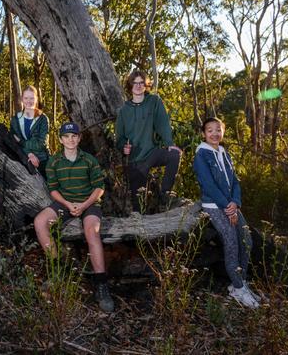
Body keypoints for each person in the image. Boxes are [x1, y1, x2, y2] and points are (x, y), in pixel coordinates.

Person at [33, 121, 114, 312]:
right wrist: (69, 205)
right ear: (61, 139)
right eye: (66, 136)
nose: (70, 140)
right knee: (40, 221)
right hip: (64, 202)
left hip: (89, 203)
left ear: (79, 138)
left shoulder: (89, 160)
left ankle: (101, 284)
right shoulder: (54, 161)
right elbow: (53, 189)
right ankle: (59, 271)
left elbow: (99, 188)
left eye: (74, 136)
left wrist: (84, 205)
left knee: (91, 231)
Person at [194, 117, 260, 308]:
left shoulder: (224, 153)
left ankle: (240, 283)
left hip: (231, 205)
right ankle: (239, 289)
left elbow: (235, 182)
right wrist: (226, 206)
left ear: (223, 132)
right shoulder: (201, 155)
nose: (214, 134)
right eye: (210, 130)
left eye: (218, 130)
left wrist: (236, 203)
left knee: (246, 240)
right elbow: (208, 185)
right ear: (203, 134)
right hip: (214, 206)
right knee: (231, 241)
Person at [115, 70, 182, 211]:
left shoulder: (154, 101)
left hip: (152, 152)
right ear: (130, 85)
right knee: (138, 205)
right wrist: (123, 147)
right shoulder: (123, 111)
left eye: (141, 83)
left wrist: (169, 143)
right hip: (136, 160)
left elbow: (162, 123)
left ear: (146, 85)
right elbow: (119, 139)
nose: (138, 86)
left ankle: (165, 194)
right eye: (135, 82)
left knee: (174, 155)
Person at [9, 85, 50, 176]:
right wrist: (29, 154)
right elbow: (14, 143)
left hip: (42, 162)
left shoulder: (43, 119)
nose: (29, 101)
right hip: (23, 160)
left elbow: (41, 144)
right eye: (26, 98)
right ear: (22, 99)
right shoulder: (15, 120)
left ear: (36, 99)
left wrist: (21, 142)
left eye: (32, 98)